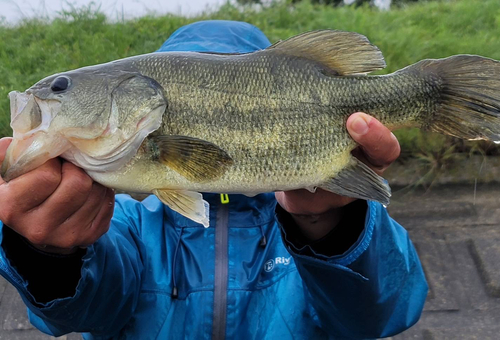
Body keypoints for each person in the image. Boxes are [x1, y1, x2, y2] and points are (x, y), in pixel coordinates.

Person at [0, 21, 428, 339]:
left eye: (60, 88)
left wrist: (335, 225)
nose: (47, 96)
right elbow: (84, 312)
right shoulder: (123, 220)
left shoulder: (140, 190)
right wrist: (47, 256)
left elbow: (379, 313)